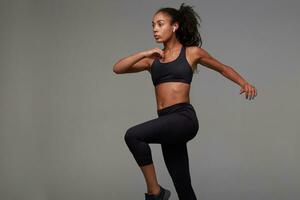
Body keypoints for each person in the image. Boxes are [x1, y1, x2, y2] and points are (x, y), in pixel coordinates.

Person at [113, 3, 257, 200]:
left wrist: (244, 83)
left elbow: (222, 68)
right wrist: (145, 53)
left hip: (183, 119)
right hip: (166, 124)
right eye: (153, 25)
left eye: (160, 24)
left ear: (175, 26)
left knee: (133, 136)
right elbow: (118, 68)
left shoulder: (191, 53)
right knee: (183, 187)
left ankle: (155, 192)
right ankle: (161, 192)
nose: (155, 28)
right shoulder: (153, 61)